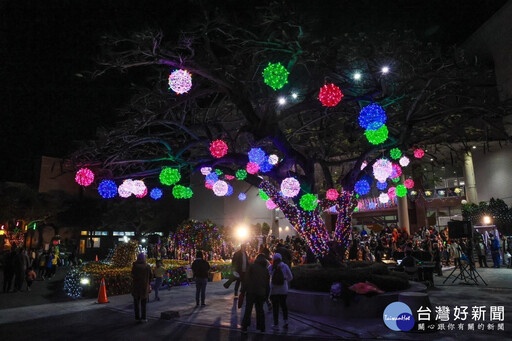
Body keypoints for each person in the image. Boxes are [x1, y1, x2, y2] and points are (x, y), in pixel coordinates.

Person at [241, 254, 270, 334]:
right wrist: (266, 295)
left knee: (248, 309)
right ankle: (261, 328)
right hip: (261, 293)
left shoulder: (251, 266)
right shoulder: (265, 269)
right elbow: (267, 284)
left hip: (251, 291)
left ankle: (245, 327)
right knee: (260, 310)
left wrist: (243, 290)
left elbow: (246, 279)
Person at [268, 253, 293, 330]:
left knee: (275, 307)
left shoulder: (271, 267)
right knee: (284, 306)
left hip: (274, 289)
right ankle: (286, 322)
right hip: (283, 289)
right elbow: (291, 277)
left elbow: (267, 275)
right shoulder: (285, 266)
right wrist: (285, 281)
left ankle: (276, 324)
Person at [131, 253, 152, 322]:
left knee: (136, 303)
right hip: (144, 286)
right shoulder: (147, 266)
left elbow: (132, 275)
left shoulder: (134, 266)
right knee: (143, 303)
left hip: (136, 286)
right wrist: (148, 283)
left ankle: (137, 317)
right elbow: (151, 276)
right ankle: (144, 317)